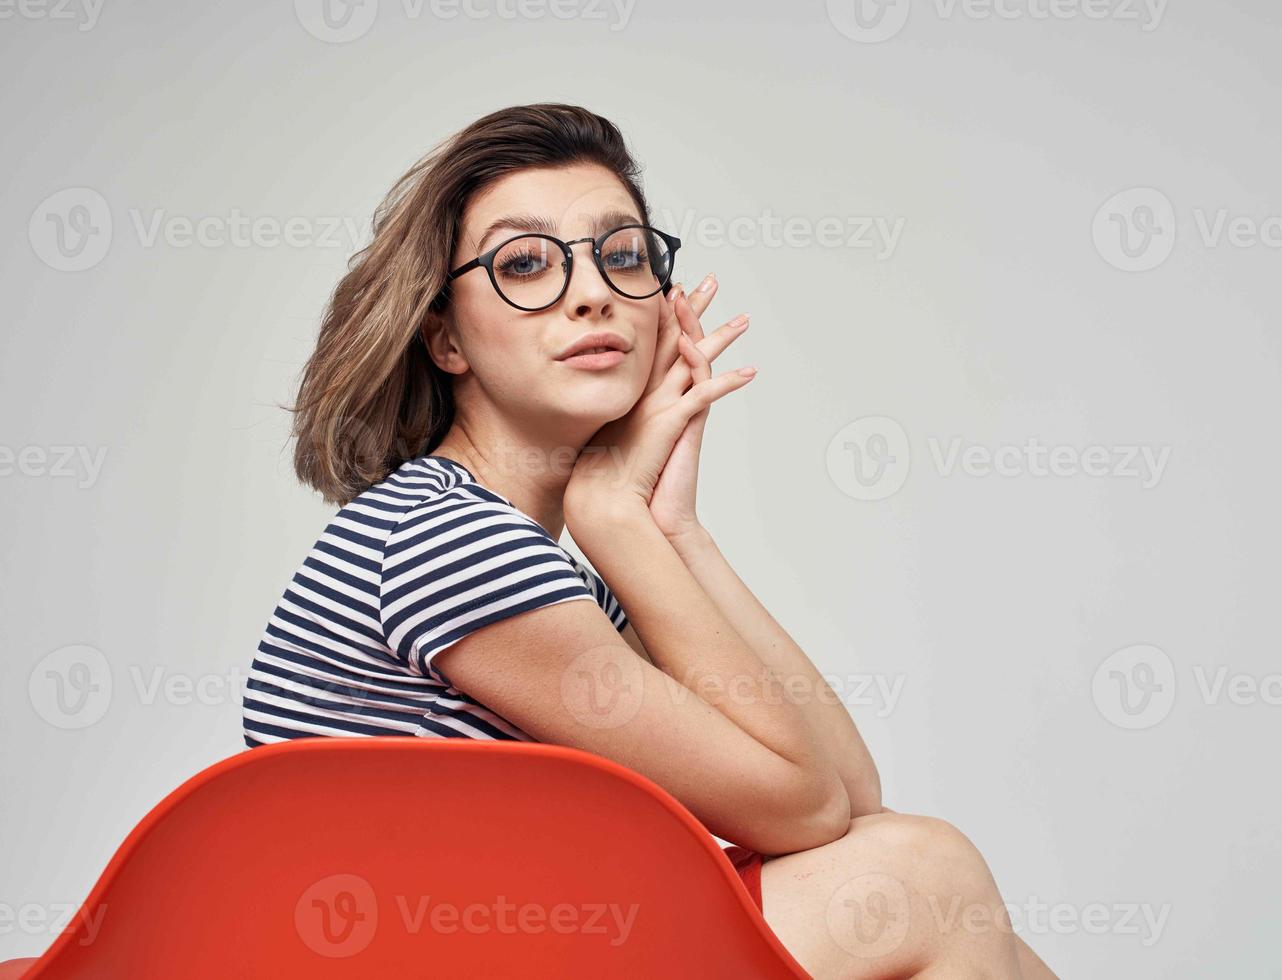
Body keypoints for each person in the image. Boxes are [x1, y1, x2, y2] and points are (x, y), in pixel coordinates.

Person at [242, 102, 1058, 979]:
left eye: (621, 254)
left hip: (507, 947)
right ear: (445, 337)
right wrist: (621, 521)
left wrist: (673, 527)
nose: (591, 292)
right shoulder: (450, 544)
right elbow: (809, 810)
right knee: (923, 876)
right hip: (426, 958)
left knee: (946, 896)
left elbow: (853, 794)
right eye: (525, 264)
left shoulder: (527, 562)